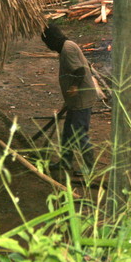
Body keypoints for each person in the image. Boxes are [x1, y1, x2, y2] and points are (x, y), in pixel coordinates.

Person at [41, 24, 97, 176]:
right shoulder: (67, 47)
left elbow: (79, 70)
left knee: (79, 133)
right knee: (67, 132)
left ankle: (89, 168)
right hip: (75, 99)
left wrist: (74, 87)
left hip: (81, 98)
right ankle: (65, 161)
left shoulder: (68, 49)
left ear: (53, 40)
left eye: (48, 43)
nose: (49, 47)